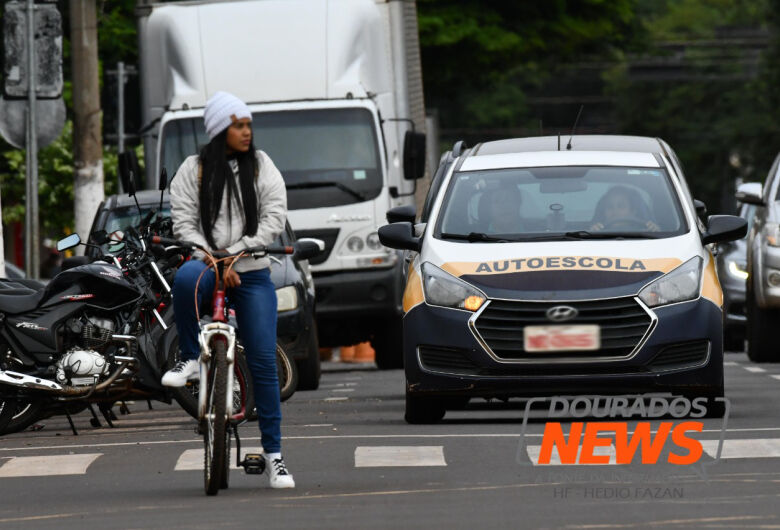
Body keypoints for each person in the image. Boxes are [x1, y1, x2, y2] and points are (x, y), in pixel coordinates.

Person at [161, 91, 294, 488]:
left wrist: (232, 256)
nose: (247, 132)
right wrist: (213, 260)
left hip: (249, 270)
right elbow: (182, 220)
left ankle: (274, 456)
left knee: (264, 361)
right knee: (184, 281)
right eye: (238, 125)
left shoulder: (262, 166)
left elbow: (274, 216)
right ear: (220, 130)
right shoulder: (194, 169)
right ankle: (189, 360)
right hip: (206, 265)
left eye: (248, 125)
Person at [590, 185, 659, 232]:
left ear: (633, 211)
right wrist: (592, 234)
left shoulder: (646, 231)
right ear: (604, 212)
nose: (615, 211)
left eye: (621, 206)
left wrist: (655, 231)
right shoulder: (598, 232)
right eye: (609, 207)